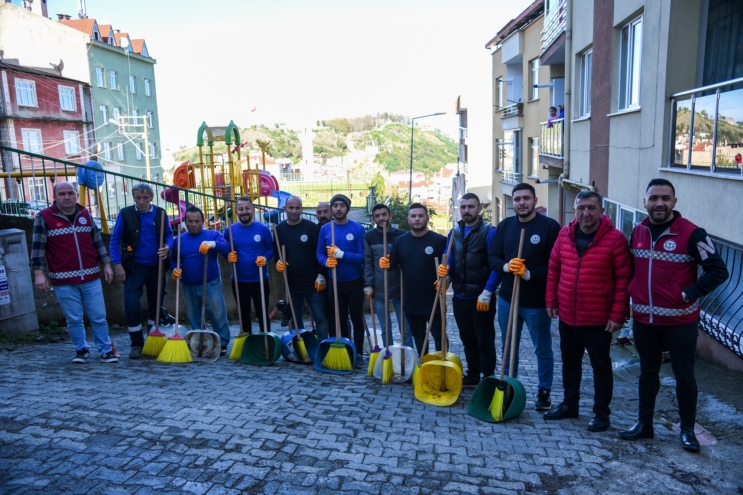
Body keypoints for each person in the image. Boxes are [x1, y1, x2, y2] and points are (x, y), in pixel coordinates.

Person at [620, 179, 728, 453]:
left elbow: (718, 271)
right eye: (654, 198)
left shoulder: (693, 234)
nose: (659, 203)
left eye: (665, 198)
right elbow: (633, 268)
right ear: (645, 202)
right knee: (647, 373)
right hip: (645, 321)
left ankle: (688, 430)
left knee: (684, 375)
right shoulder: (638, 231)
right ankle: (644, 424)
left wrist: (688, 294)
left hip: (681, 322)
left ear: (674, 202)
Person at [544, 191, 632, 431]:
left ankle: (601, 413)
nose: (586, 213)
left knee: (600, 367)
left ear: (602, 211)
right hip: (568, 316)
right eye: (581, 208)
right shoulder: (565, 234)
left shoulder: (615, 240)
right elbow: (554, 269)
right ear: (575, 210)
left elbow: (624, 281)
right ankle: (570, 405)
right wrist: (550, 299)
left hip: (598, 319)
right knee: (570, 363)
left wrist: (617, 316)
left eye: (591, 208)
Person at [488, 183, 560, 411]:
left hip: (536, 303)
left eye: (526, 198)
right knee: (508, 346)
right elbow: (492, 258)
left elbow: (555, 265)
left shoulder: (549, 227)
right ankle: (509, 386)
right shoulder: (505, 226)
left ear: (535, 201)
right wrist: (506, 267)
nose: (521, 203)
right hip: (508, 299)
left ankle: (544, 391)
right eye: (517, 199)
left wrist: (530, 274)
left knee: (542, 349)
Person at [30, 181, 117, 363]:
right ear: (55, 197)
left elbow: (97, 242)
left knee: (99, 317)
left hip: (91, 277)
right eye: (62, 194)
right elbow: (38, 248)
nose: (67, 197)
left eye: (70, 193)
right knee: (74, 319)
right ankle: (81, 350)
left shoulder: (85, 214)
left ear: (76, 195)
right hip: (63, 281)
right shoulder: (44, 217)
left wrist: (107, 263)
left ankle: (105, 350)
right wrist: (39, 273)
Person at [438, 193, 500, 387]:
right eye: (463, 207)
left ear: (479, 208)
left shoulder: (489, 232)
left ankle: (488, 377)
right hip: (460, 296)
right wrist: (446, 276)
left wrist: (488, 291)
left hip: (481, 297)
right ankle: (473, 375)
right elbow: (449, 259)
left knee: (485, 340)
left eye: (470, 207)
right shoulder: (454, 231)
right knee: (468, 339)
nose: (466, 210)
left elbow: (495, 265)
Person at [109, 183, 173, 359]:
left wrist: (168, 247)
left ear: (152, 197)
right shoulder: (126, 214)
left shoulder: (160, 213)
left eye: (145, 198)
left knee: (156, 305)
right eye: (138, 198)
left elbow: (169, 234)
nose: (142, 201)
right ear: (133, 197)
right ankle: (136, 344)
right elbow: (115, 240)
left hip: (157, 267)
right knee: (131, 305)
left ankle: (154, 339)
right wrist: (118, 264)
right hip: (134, 267)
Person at [382, 203, 448, 355]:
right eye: (413, 216)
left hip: (434, 298)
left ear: (427, 218)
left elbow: (449, 264)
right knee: (419, 336)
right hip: (411, 299)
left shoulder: (438, 240)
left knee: (439, 336)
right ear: (408, 219)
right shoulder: (400, 241)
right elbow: (392, 263)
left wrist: (447, 276)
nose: (417, 219)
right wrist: (385, 263)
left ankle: (442, 363)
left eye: (420, 215)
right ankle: (423, 363)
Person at [170, 206, 231, 355]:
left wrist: (213, 244)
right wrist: (174, 269)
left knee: (217, 313)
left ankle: (222, 343)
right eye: (190, 221)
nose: (193, 224)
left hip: (210, 282)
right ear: (185, 222)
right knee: (194, 315)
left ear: (203, 221)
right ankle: (200, 341)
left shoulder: (212, 234)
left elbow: (228, 248)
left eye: (197, 221)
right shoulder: (178, 240)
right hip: (188, 283)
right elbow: (172, 259)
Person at [316, 194, 366, 366]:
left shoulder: (357, 229)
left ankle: (358, 352)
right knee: (340, 318)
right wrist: (325, 261)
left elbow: (362, 257)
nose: (338, 208)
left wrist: (342, 255)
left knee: (356, 318)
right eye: (335, 205)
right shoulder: (325, 230)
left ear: (347, 208)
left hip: (354, 281)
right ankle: (346, 350)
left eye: (342, 205)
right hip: (334, 282)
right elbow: (320, 253)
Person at [275, 196, 329, 340]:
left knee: (320, 317)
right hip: (291, 283)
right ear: (285, 209)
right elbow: (276, 254)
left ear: (302, 209)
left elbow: (320, 253)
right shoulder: (278, 230)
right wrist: (278, 263)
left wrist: (321, 274)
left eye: (297, 208)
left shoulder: (311, 228)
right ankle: (303, 347)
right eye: (291, 208)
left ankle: (322, 346)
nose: (294, 211)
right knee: (295, 318)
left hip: (313, 283)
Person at [363, 203, 412, 348]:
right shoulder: (369, 237)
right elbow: (368, 262)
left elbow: (408, 260)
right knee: (385, 329)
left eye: (384, 214)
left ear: (390, 215)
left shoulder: (403, 235)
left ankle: (407, 356)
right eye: (377, 216)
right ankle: (388, 356)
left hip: (400, 288)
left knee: (406, 329)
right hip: (379, 288)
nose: (381, 218)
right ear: (373, 219)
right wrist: (368, 284)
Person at [223, 197, 274, 334]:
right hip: (239, 281)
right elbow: (225, 250)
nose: (244, 211)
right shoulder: (229, 230)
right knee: (243, 314)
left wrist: (265, 258)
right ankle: (246, 342)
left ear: (252, 210)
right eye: (240, 209)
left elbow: (271, 249)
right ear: (236, 211)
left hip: (260, 280)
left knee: (262, 313)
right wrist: (228, 256)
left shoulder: (262, 229)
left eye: (247, 208)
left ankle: (266, 342)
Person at [316, 201, 332, 335]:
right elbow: (314, 254)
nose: (323, 215)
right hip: (318, 280)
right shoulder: (314, 230)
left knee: (338, 313)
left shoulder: (338, 228)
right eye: (319, 212)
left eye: (325, 211)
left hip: (337, 279)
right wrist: (319, 274)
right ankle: (324, 342)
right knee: (320, 315)